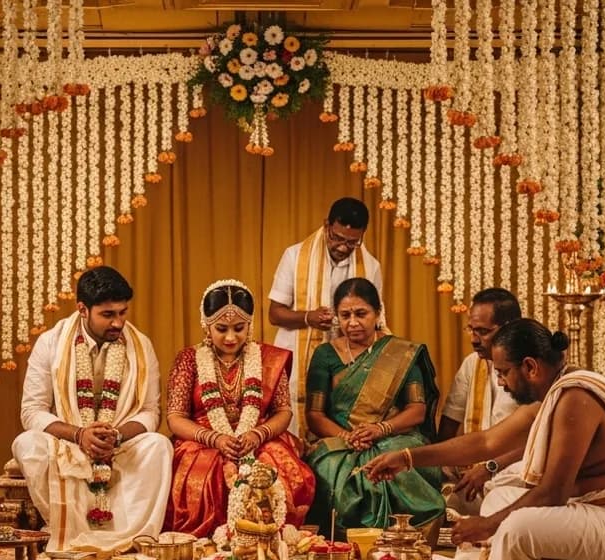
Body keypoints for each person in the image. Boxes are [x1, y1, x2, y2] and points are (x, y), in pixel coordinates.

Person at [361, 319, 605, 560]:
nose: (501, 382)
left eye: (502, 372)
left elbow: (553, 492)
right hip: (600, 510)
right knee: (499, 499)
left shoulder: (575, 399)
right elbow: (485, 443)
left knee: (516, 527)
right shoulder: (555, 392)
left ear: (530, 367)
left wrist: (487, 525)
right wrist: (407, 457)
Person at [12, 266, 172, 553]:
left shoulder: (141, 345)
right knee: (28, 444)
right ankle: (71, 534)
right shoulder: (51, 343)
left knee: (158, 446)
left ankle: (131, 540)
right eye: (108, 315)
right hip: (69, 443)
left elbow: (150, 412)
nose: (118, 323)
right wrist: (80, 435)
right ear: (83, 309)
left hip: (119, 444)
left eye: (123, 312)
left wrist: (116, 436)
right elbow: (32, 411)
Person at [165, 280, 315, 539]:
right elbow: (176, 418)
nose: (231, 337)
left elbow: (283, 411)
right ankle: (210, 542)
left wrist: (257, 435)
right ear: (206, 324)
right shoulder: (189, 359)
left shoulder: (268, 358)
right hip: (202, 439)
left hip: (258, 436)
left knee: (276, 467)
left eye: (239, 328)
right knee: (200, 474)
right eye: (221, 329)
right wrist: (215, 438)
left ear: (250, 325)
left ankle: (269, 536)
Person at [303, 277, 443, 535]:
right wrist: (348, 436)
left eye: (361, 313)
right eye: (344, 315)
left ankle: (408, 540)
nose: (352, 322)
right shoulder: (325, 354)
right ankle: (344, 544)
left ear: (378, 313)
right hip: (340, 441)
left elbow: (417, 409)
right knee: (330, 469)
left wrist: (381, 429)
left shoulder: (400, 352)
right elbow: (314, 415)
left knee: (403, 462)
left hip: (394, 436)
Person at [268, 197, 385, 437]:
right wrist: (307, 317)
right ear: (326, 225)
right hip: (297, 360)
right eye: (337, 238)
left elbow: (376, 319)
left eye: (352, 242)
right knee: (293, 427)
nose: (343, 247)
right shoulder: (295, 255)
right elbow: (275, 314)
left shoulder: (371, 266)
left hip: (345, 361)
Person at [436, 288, 523, 518]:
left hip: (516, 473)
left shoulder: (528, 368)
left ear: (510, 328)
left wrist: (490, 466)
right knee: (435, 503)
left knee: (498, 502)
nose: (474, 339)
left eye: (483, 331)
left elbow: (539, 439)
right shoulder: (472, 364)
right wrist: (442, 467)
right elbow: (448, 425)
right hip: (474, 474)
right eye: (471, 329)